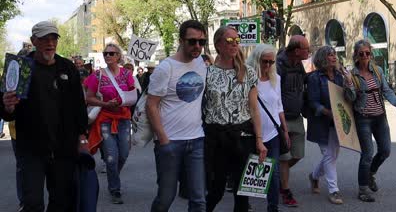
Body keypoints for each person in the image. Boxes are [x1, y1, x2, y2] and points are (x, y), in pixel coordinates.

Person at [0, 20, 89, 211]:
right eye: (44, 39)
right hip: (31, 148)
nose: (50, 43)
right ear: (34, 41)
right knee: (32, 202)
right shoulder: (21, 68)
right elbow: (7, 113)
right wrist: (7, 107)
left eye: (53, 39)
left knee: (61, 201)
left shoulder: (67, 67)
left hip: (63, 147)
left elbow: (79, 106)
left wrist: (82, 137)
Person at [204, 26, 268, 212]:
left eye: (237, 41)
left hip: (243, 136)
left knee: (243, 192)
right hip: (216, 138)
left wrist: (259, 140)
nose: (234, 45)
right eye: (229, 41)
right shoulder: (207, 73)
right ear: (218, 45)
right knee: (216, 189)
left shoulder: (248, 73)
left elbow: (254, 108)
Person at [146, 20, 207, 212]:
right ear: (181, 41)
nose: (197, 46)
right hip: (170, 141)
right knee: (166, 197)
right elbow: (151, 105)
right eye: (192, 41)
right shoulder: (166, 68)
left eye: (201, 42)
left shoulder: (200, 63)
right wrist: (163, 139)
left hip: (196, 140)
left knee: (198, 199)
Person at [350, 39, 396, 202]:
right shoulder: (352, 75)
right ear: (356, 55)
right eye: (362, 54)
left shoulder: (378, 71)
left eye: (368, 53)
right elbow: (350, 97)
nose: (365, 56)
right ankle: (363, 189)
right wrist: (349, 86)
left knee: (385, 150)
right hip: (363, 118)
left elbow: (386, 91)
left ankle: (371, 173)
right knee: (367, 154)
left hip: (380, 117)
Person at [86, 43, 135, 204]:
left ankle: (113, 175)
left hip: (124, 119)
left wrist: (121, 102)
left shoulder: (127, 74)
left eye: (112, 53)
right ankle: (115, 189)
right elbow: (89, 97)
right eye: (105, 53)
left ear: (118, 56)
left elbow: (133, 95)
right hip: (105, 119)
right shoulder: (97, 75)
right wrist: (106, 104)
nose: (108, 56)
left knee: (124, 154)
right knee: (112, 157)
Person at [306, 46, 355, 205]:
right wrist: (327, 112)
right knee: (329, 155)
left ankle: (314, 176)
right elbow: (312, 102)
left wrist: (349, 82)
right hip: (321, 122)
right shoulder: (314, 78)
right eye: (330, 55)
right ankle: (334, 190)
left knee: (332, 156)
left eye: (334, 54)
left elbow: (348, 98)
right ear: (322, 58)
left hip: (338, 122)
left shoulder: (340, 76)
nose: (334, 57)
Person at [246, 44, 290, 212]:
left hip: (272, 132)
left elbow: (279, 105)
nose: (268, 65)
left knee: (273, 172)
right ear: (256, 60)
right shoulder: (247, 78)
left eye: (271, 62)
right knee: (249, 169)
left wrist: (284, 130)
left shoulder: (275, 78)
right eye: (265, 61)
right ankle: (244, 202)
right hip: (250, 133)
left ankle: (273, 207)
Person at [276, 35, 309, 207]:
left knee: (298, 154)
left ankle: (278, 177)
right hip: (281, 119)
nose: (309, 52)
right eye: (306, 49)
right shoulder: (278, 65)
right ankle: (285, 190)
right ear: (297, 51)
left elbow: (305, 82)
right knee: (284, 157)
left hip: (296, 117)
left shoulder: (298, 64)